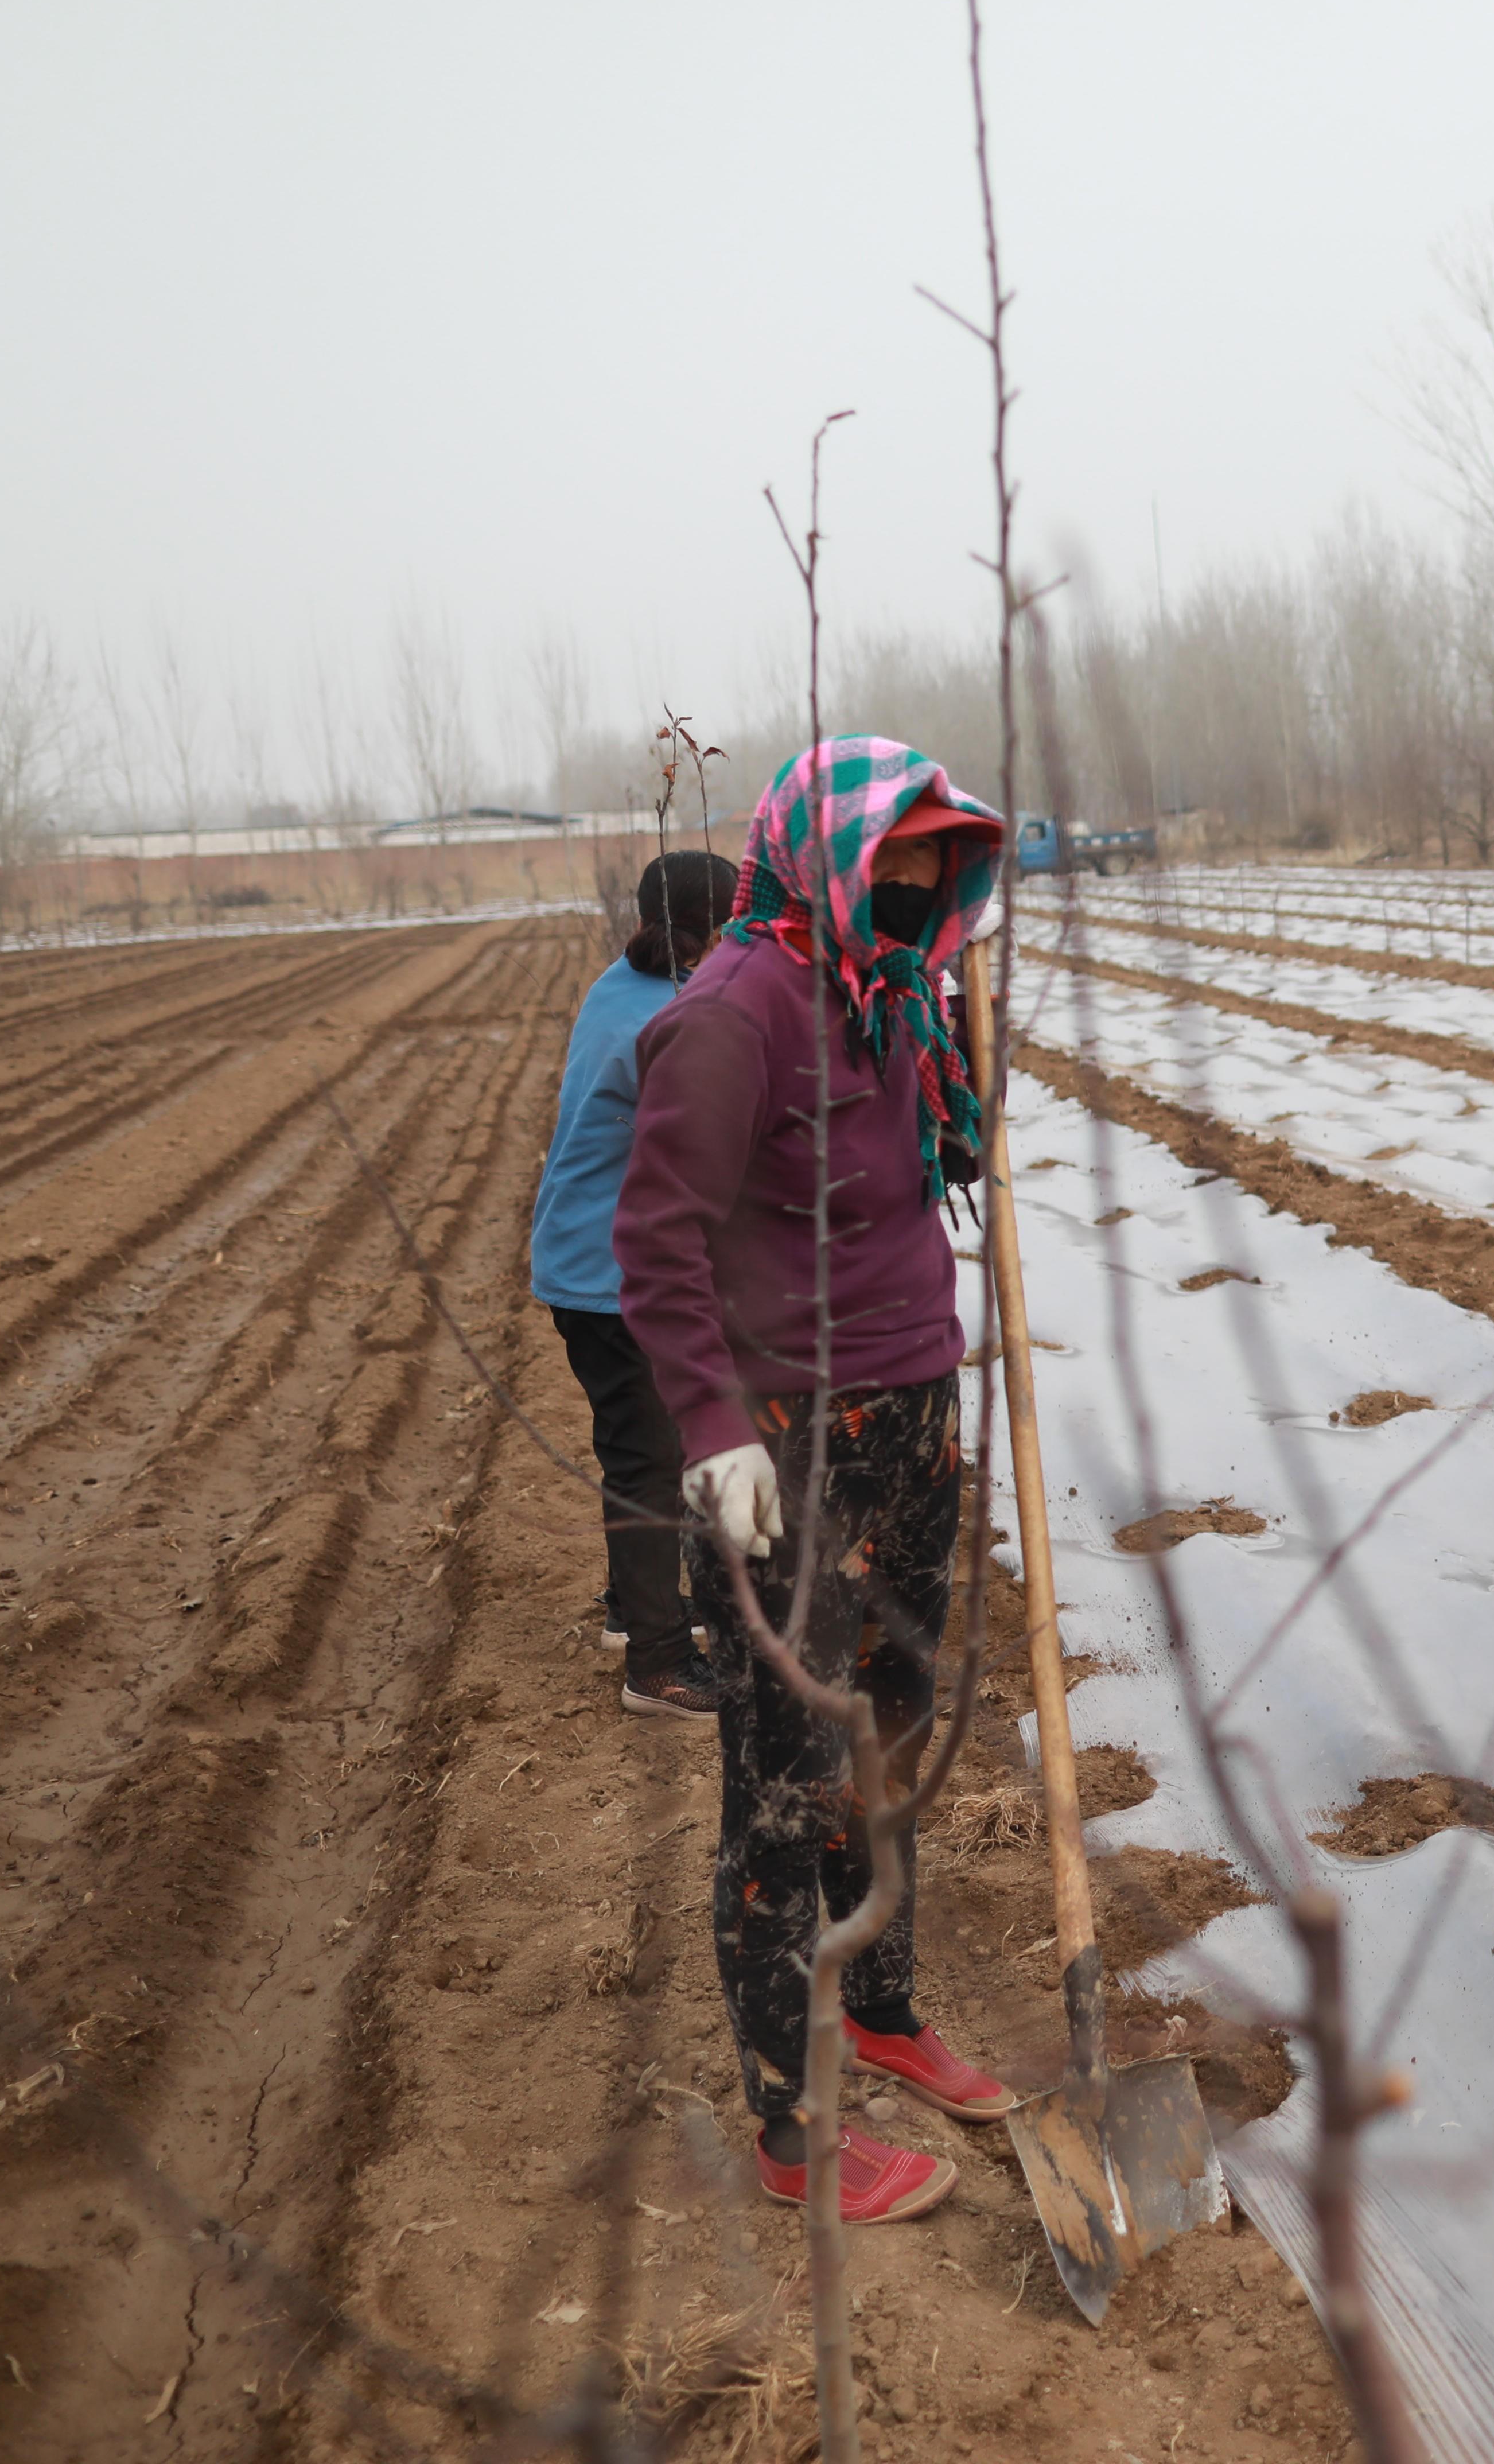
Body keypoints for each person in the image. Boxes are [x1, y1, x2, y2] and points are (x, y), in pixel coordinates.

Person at [613, 736, 1008, 2225]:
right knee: (782, 1788)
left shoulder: (895, 994)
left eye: (937, 872)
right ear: (819, 859)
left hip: (913, 1418)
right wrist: (710, 1428)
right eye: (889, 868)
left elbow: (934, 1165)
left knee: (887, 1737)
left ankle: (883, 2008)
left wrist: (967, 1029)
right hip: (788, 1444)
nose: (912, 895)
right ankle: (790, 2126)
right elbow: (651, 1246)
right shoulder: (735, 1016)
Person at [531, 849, 741, 1718]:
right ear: (714, 927)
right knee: (650, 1460)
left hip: (588, 1256)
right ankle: (656, 1665)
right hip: (608, 1271)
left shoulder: (622, 982)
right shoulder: (670, 1017)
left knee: (642, 1446)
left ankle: (633, 1609)